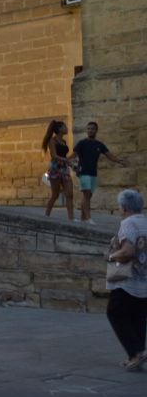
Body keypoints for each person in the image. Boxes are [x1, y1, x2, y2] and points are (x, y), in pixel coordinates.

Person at [105, 189, 147, 371]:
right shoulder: (145, 222)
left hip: (127, 280)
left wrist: (112, 256)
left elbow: (128, 251)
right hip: (144, 279)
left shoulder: (128, 224)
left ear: (124, 206)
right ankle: (136, 355)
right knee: (137, 317)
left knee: (115, 312)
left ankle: (137, 352)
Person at [73, 122, 126, 224]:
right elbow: (73, 155)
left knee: (88, 196)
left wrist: (119, 161)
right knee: (87, 194)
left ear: (96, 130)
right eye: (88, 128)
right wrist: (66, 161)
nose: (90, 130)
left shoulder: (99, 145)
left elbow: (109, 155)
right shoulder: (82, 143)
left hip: (93, 173)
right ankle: (88, 218)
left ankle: (83, 218)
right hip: (83, 172)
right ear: (86, 130)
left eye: (92, 129)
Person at [42, 119, 75, 221]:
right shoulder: (53, 141)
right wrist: (67, 160)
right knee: (55, 195)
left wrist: (70, 161)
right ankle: (46, 215)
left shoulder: (64, 141)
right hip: (55, 168)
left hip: (64, 168)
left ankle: (71, 218)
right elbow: (55, 156)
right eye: (64, 126)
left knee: (69, 194)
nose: (67, 128)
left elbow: (64, 155)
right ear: (60, 129)